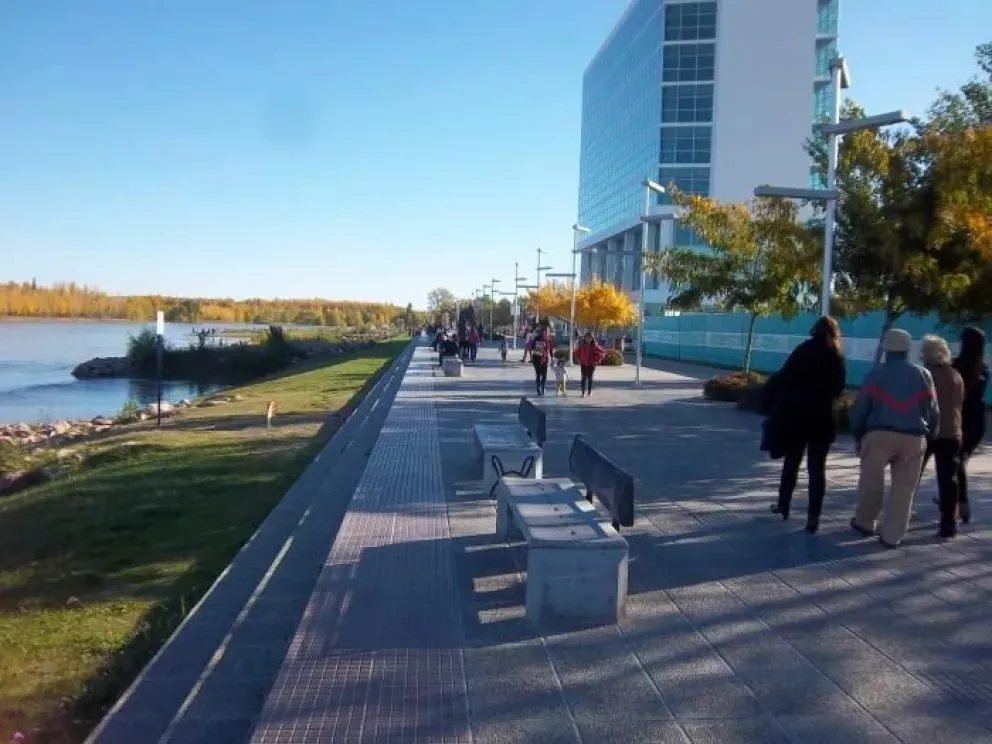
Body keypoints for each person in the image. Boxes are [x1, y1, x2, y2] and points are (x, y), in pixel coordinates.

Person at [849, 328, 939, 548]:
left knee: (872, 483)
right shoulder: (923, 375)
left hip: (879, 434)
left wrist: (858, 434)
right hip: (914, 438)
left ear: (887, 350)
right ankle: (892, 536)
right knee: (904, 489)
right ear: (908, 350)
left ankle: (865, 522)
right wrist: (931, 434)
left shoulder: (876, 374)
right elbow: (933, 410)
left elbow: (860, 408)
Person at [764, 316, 847, 533]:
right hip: (823, 418)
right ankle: (813, 517)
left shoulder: (803, 350)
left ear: (814, 331)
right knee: (816, 469)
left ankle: (783, 505)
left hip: (798, 416)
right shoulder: (836, 356)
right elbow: (839, 388)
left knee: (792, 462)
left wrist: (770, 393)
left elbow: (785, 377)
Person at [918, 335, 965, 538]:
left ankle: (900, 515)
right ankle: (949, 523)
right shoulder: (955, 375)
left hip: (929, 431)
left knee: (911, 476)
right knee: (948, 480)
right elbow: (959, 402)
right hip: (952, 432)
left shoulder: (925, 375)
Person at [576, 332, 606, 398]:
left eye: (589, 337)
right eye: (586, 337)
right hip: (583, 364)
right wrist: (578, 360)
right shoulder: (582, 345)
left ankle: (589, 392)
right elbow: (577, 352)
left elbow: (603, 353)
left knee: (590, 379)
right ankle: (583, 393)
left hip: (591, 365)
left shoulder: (595, 346)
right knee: (583, 379)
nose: (588, 339)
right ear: (585, 338)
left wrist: (597, 360)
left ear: (592, 338)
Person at [530, 326, 553, 396]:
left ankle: (543, 387)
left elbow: (550, 349)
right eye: (546, 331)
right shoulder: (536, 339)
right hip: (537, 359)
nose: (547, 333)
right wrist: (538, 347)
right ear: (542, 332)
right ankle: (538, 388)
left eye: (548, 332)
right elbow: (532, 347)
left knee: (544, 375)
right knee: (538, 374)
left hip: (545, 359)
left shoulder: (548, 340)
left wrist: (552, 357)